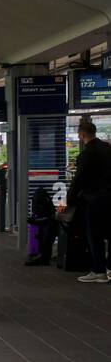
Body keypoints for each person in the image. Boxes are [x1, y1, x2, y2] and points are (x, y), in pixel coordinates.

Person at [64, 115, 111, 282]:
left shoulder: (87, 153)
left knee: (95, 235)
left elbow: (79, 179)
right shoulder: (107, 148)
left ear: (82, 135)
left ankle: (99, 271)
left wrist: (68, 200)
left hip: (95, 199)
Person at [24, 185, 56, 267]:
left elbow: (49, 218)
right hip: (47, 219)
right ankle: (42, 255)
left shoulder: (44, 203)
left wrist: (35, 220)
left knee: (46, 232)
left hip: (50, 221)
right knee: (42, 233)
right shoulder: (44, 202)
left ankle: (43, 257)